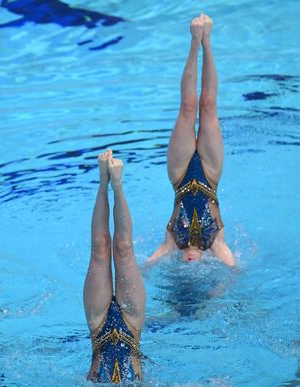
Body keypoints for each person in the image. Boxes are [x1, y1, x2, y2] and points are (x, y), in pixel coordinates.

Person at [148, 14, 235, 266]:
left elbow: (146, 264)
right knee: (208, 106)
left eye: (186, 263)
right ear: (204, 261)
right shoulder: (215, 244)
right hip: (210, 175)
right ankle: (207, 42)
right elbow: (235, 270)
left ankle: (193, 43)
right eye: (194, 263)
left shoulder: (172, 243)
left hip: (180, 175)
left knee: (187, 108)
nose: (189, 261)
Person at [83, 150, 146, 383]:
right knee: (124, 250)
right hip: (131, 323)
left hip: (99, 327)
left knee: (99, 248)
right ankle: (117, 186)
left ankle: (103, 183)